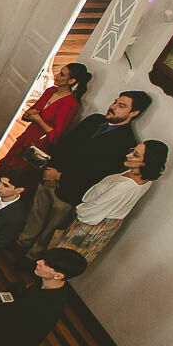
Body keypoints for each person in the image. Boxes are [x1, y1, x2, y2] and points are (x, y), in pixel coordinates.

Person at [18, 90, 148, 258]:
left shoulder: (126, 143)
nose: (113, 106)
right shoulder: (94, 120)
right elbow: (65, 144)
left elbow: (98, 175)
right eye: (115, 102)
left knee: (50, 230)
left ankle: (31, 258)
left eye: (121, 106)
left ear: (134, 113)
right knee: (34, 217)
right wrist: (49, 170)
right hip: (48, 177)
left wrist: (60, 177)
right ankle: (20, 245)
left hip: (70, 193)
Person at [48, 140, 167, 262]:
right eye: (133, 151)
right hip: (99, 217)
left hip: (92, 222)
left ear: (147, 162)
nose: (128, 155)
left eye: (136, 155)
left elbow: (92, 212)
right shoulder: (141, 177)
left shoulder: (126, 186)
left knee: (62, 259)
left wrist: (80, 209)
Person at [3, 61, 90, 168]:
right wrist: (30, 115)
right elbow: (27, 115)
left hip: (38, 148)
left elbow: (55, 137)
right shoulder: (50, 91)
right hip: (25, 138)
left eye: (62, 74)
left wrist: (38, 119)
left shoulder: (70, 104)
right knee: (4, 168)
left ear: (71, 81)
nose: (56, 76)